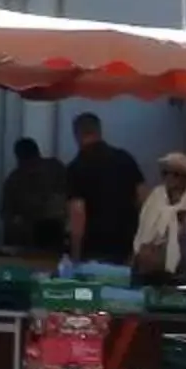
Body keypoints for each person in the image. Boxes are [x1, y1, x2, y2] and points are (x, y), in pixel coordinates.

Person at [63, 113, 147, 266]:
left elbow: (77, 214)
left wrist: (75, 256)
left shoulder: (76, 168)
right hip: (126, 244)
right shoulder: (125, 158)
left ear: (77, 134)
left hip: (94, 248)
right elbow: (143, 200)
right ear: (100, 131)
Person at [131, 153, 186, 284]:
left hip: (182, 272)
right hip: (149, 267)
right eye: (165, 173)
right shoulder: (156, 196)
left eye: (175, 174)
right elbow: (143, 230)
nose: (169, 178)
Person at [0, 137, 67, 253]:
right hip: (56, 236)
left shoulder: (15, 179)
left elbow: (7, 215)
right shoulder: (55, 168)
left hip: (28, 241)